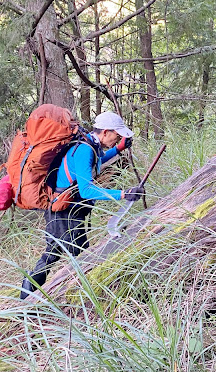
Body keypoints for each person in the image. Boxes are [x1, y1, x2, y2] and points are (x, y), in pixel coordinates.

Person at [20, 111, 144, 299]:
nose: (117, 137)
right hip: (64, 211)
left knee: (58, 251)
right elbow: (86, 190)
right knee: (78, 255)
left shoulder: (90, 146)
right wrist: (123, 194)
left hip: (67, 209)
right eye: (116, 135)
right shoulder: (85, 149)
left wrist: (117, 148)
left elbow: (97, 162)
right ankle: (66, 297)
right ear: (105, 132)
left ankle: (29, 292)